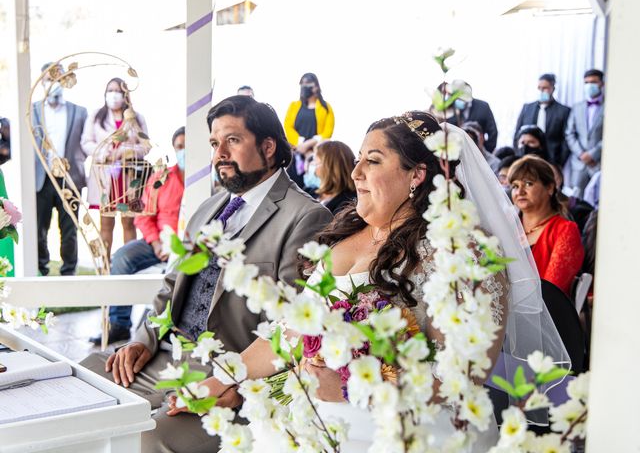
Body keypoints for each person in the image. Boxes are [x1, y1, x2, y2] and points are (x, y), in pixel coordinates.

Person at [181, 111, 568, 451]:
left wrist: (353, 388)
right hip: (316, 409)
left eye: (373, 161)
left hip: (410, 427)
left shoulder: (466, 253)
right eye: (358, 160)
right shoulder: (349, 236)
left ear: (416, 175)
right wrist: (221, 377)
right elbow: (290, 332)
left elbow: (464, 376)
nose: (356, 173)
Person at [80, 95, 333, 453]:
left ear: (268, 146)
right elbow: (170, 287)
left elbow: (292, 328)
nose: (219, 155)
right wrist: (141, 340)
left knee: (147, 438)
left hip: (224, 379)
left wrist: (238, 389)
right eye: (215, 143)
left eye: (232, 140)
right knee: (79, 383)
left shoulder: (306, 216)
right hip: (161, 359)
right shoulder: (208, 209)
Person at [89, 127, 186, 346]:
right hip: (159, 242)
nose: (185, 151)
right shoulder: (161, 177)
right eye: (180, 147)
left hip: (191, 246)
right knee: (123, 256)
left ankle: (167, 329)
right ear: (174, 149)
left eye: (188, 146)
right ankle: (119, 325)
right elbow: (143, 216)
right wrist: (156, 242)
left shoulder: (212, 179)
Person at [81, 77, 149, 259]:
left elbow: (146, 145)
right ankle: (104, 267)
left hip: (128, 177)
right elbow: (86, 142)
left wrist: (127, 151)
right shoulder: (95, 116)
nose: (114, 94)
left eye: (118, 91)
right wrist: (105, 153)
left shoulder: (136, 118)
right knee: (106, 223)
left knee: (128, 223)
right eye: (110, 90)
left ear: (125, 95)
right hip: (105, 177)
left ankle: (129, 264)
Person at [32, 62, 88, 276]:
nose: (53, 84)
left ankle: (68, 272)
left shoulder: (79, 112)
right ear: (42, 82)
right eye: (49, 79)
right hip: (41, 178)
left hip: (69, 177)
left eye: (58, 79)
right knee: (39, 229)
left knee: (69, 229)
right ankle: (40, 270)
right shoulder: (32, 110)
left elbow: (86, 143)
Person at [508, 155, 584, 296]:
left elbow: (551, 292)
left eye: (528, 184)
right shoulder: (507, 227)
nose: (520, 192)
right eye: (515, 186)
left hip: (545, 312)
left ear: (550, 188)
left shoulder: (565, 230)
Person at [284, 73, 335, 188]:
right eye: (302, 83)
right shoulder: (293, 106)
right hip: (297, 153)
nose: (304, 86)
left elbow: (328, 131)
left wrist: (310, 144)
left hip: (317, 154)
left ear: (316, 86)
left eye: (308, 83)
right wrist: (301, 144)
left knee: (315, 187)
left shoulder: (326, 107)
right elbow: (288, 127)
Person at [513, 73, 571, 166]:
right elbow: (517, 134)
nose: (541, 91)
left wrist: (559, 163)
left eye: (545, 88)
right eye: (539, 88)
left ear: (553, 88)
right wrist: (518, 155)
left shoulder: (563, 111)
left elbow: (566, 140)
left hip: (552, 160)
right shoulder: (527, 108)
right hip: (526, 158)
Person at [564, 69, 605, 197]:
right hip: (578, 163)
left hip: (599, 162)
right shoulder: (577, 107)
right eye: (586, 83)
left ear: (601, 84)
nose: (589, 86)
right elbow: (570, 133)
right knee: (576, 201)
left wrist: (593, 154)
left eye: (593, 82)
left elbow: (611, 135)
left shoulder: (609, 106)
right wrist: (581, 154)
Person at [446, 79, 499, 152]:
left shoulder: (483, 107)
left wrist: (485, 151)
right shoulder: (450, 109)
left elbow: (493, 132)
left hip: (479, 152)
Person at [312, 140, 356, 214]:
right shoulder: (312, 192)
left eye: (316, 164)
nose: (314, 170)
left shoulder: (349, 204)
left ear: (330, 167)